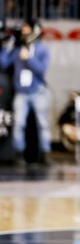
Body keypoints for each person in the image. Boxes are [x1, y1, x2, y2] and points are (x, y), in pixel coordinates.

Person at [0, 20, 52, 166]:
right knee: (19, 124)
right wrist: (6, 46)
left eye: (27, 28)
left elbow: (41, 71)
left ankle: (45, 154)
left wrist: (29, 58)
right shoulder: (17, 49)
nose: (23, 30)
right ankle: (19, 154)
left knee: (43, 124)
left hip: (38, 91)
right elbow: (4, 63)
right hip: (22, 92)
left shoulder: (42, 49)